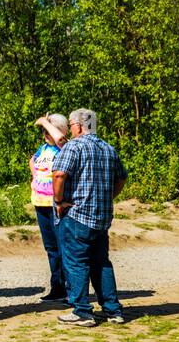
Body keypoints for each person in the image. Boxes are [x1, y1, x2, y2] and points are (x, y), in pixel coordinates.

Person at [51, 108, 127, 327]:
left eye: (72, 125)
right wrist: (109, 196)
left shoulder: (74, 147)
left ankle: (82, 311)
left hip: (77, 214)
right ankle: (113, 310)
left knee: (76, 262)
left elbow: (58, 174)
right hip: (101, 217)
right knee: (101, 263)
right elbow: (121, 178)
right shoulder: (108, 148)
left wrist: (58, 201)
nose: (71, 129)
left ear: (78, 126)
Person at [31, 114, 69, 303]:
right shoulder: (43, 148)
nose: (45, 133)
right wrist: (34, 178)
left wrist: (45, 121)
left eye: (49, 130)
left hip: (56, 205)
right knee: (51, 248)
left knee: (63, 246)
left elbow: (61, 140)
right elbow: (34, 161)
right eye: (44, 131)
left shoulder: (65, 147)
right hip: (40, 203)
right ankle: (57, 287)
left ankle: (71, 288)